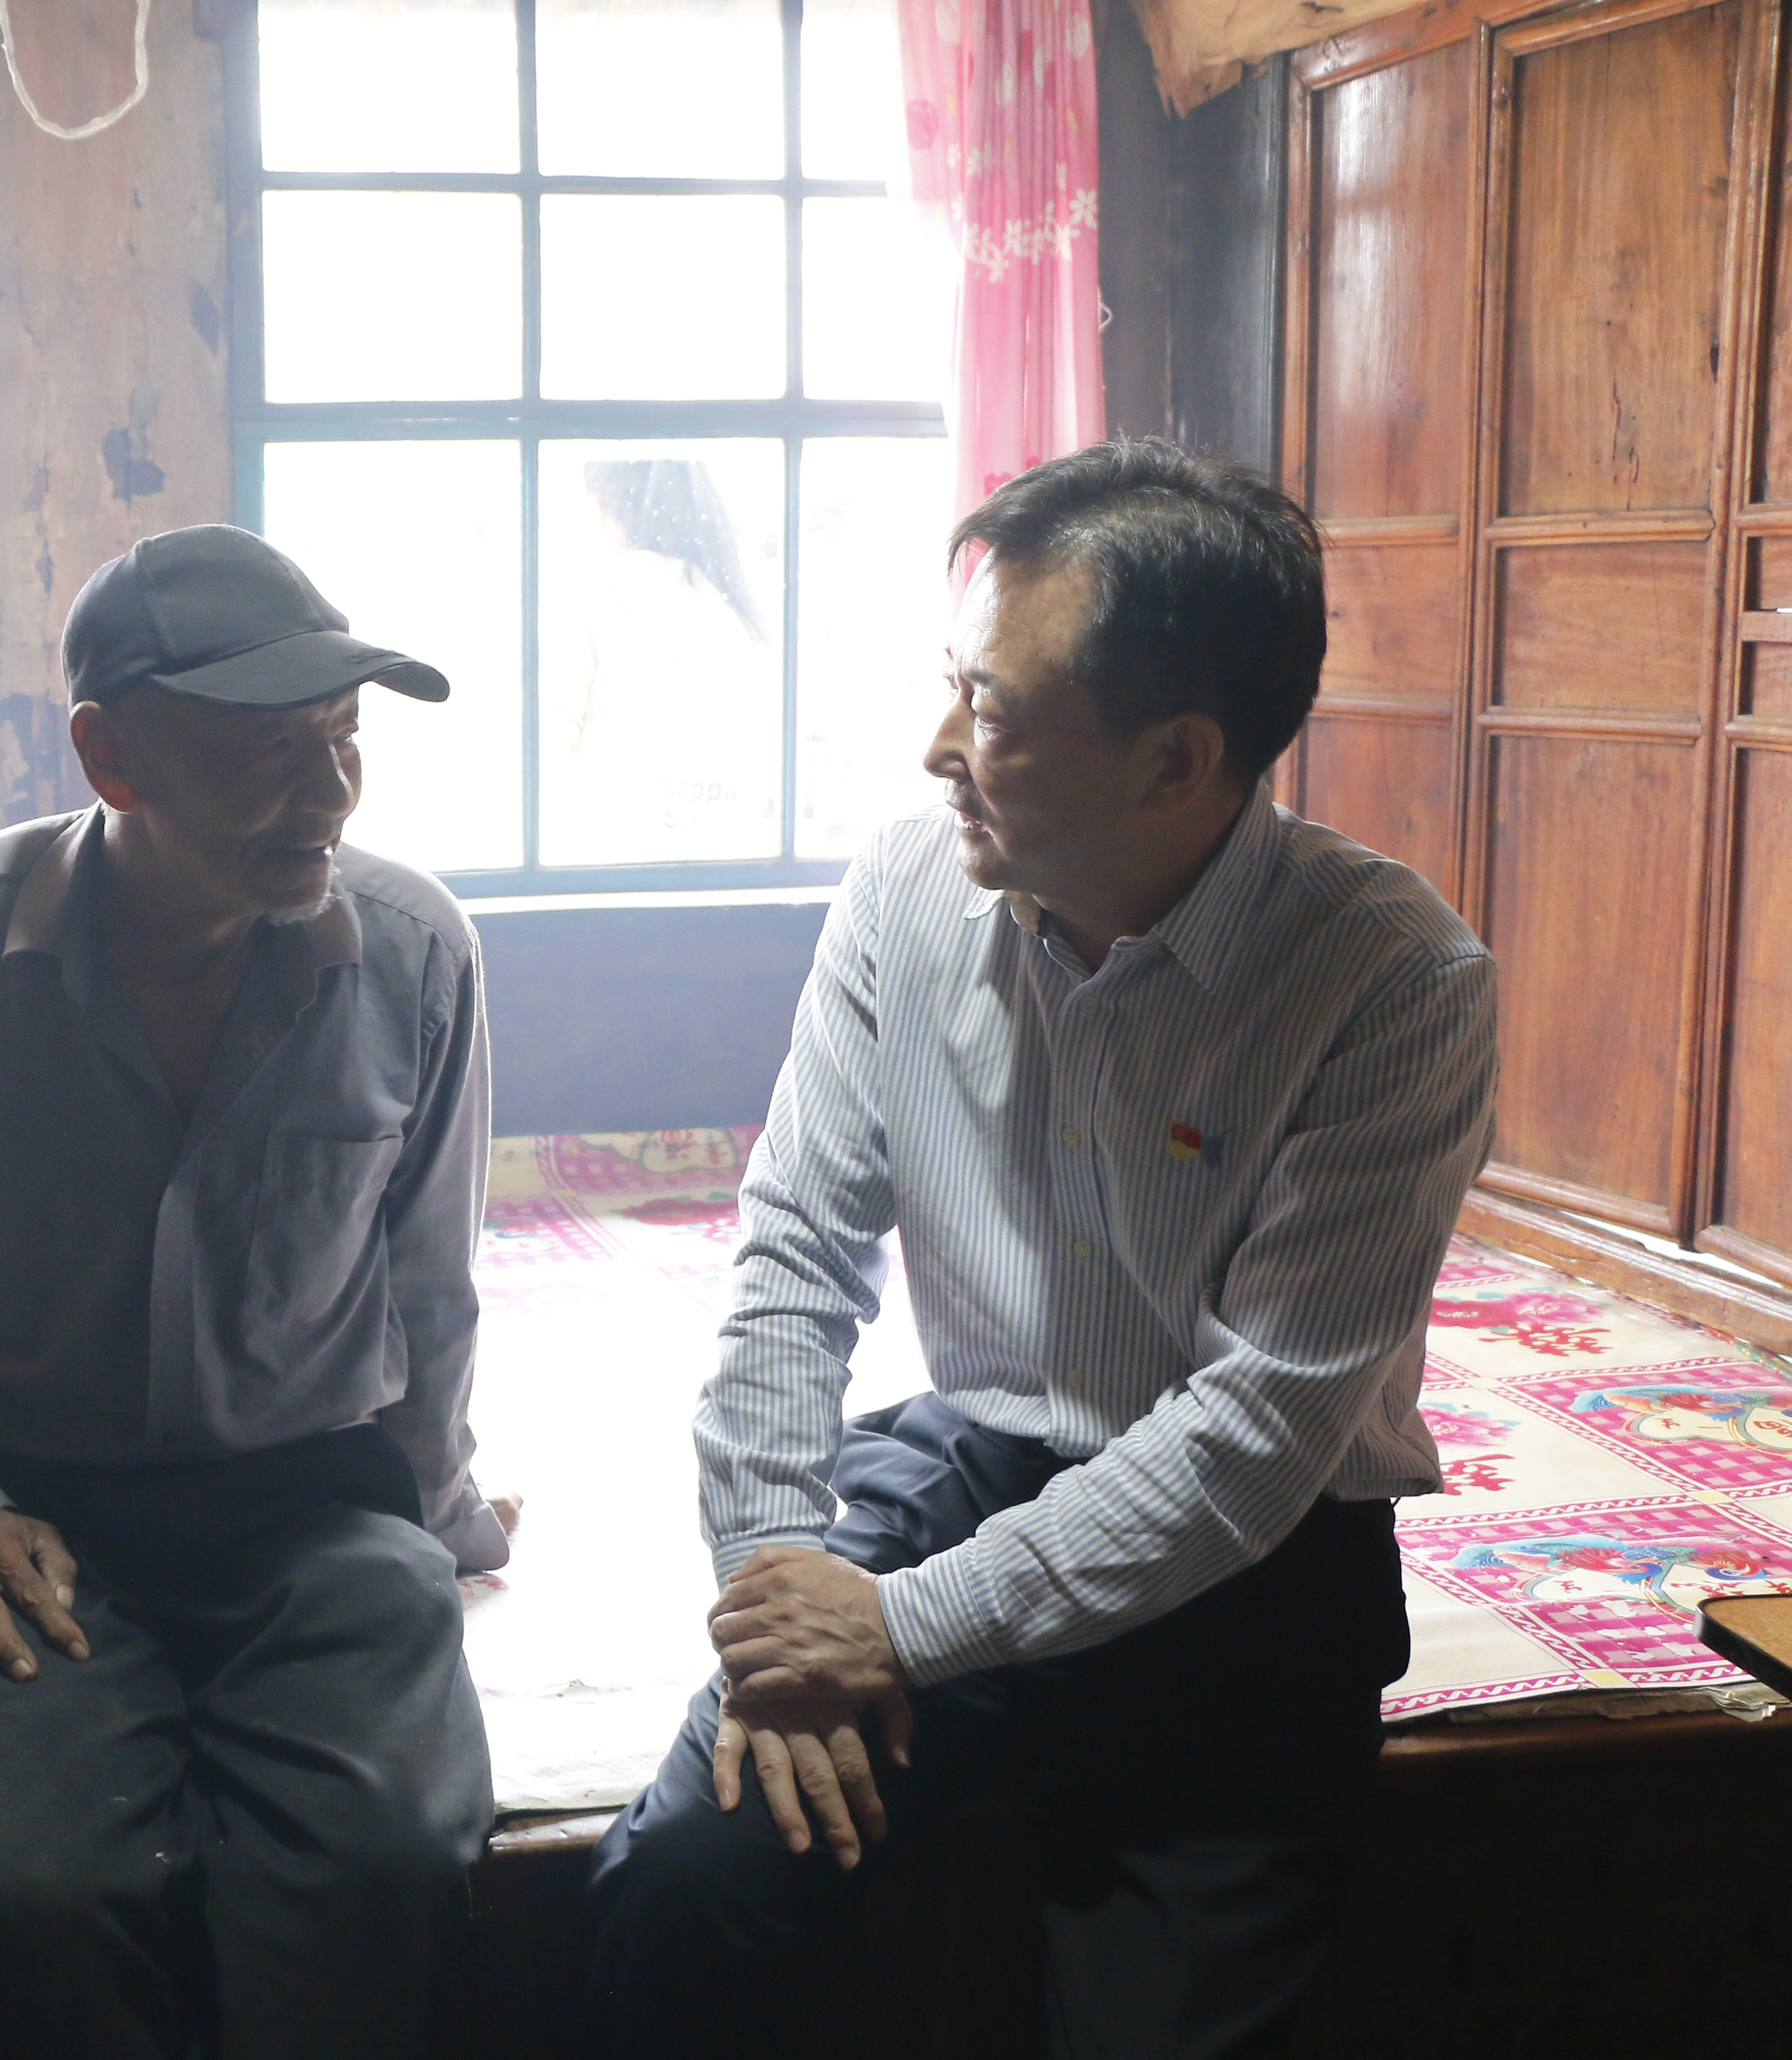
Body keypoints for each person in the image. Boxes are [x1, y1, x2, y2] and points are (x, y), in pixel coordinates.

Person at [583, 440, 1499, 2058]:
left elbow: (1254, 1437)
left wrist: (893, 1629)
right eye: (953, 685)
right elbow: (795, 1251)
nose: (940, 748)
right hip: (971, 1470)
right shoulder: (905, 890)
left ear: (1176, 763)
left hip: (1252, 1573)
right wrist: (776, 1589)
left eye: (993, 711)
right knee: (685, 1886)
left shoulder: (1390, 981)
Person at [0, 523, 514, 2059]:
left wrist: (448, 1519)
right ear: (110, 756)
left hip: (312, 1505)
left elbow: (431, 1280)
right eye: (270, 748)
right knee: (29, 1890)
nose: (330, 792)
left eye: (344, 737)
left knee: (388, 1862)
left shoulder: (414, 952)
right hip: (22, 1517)